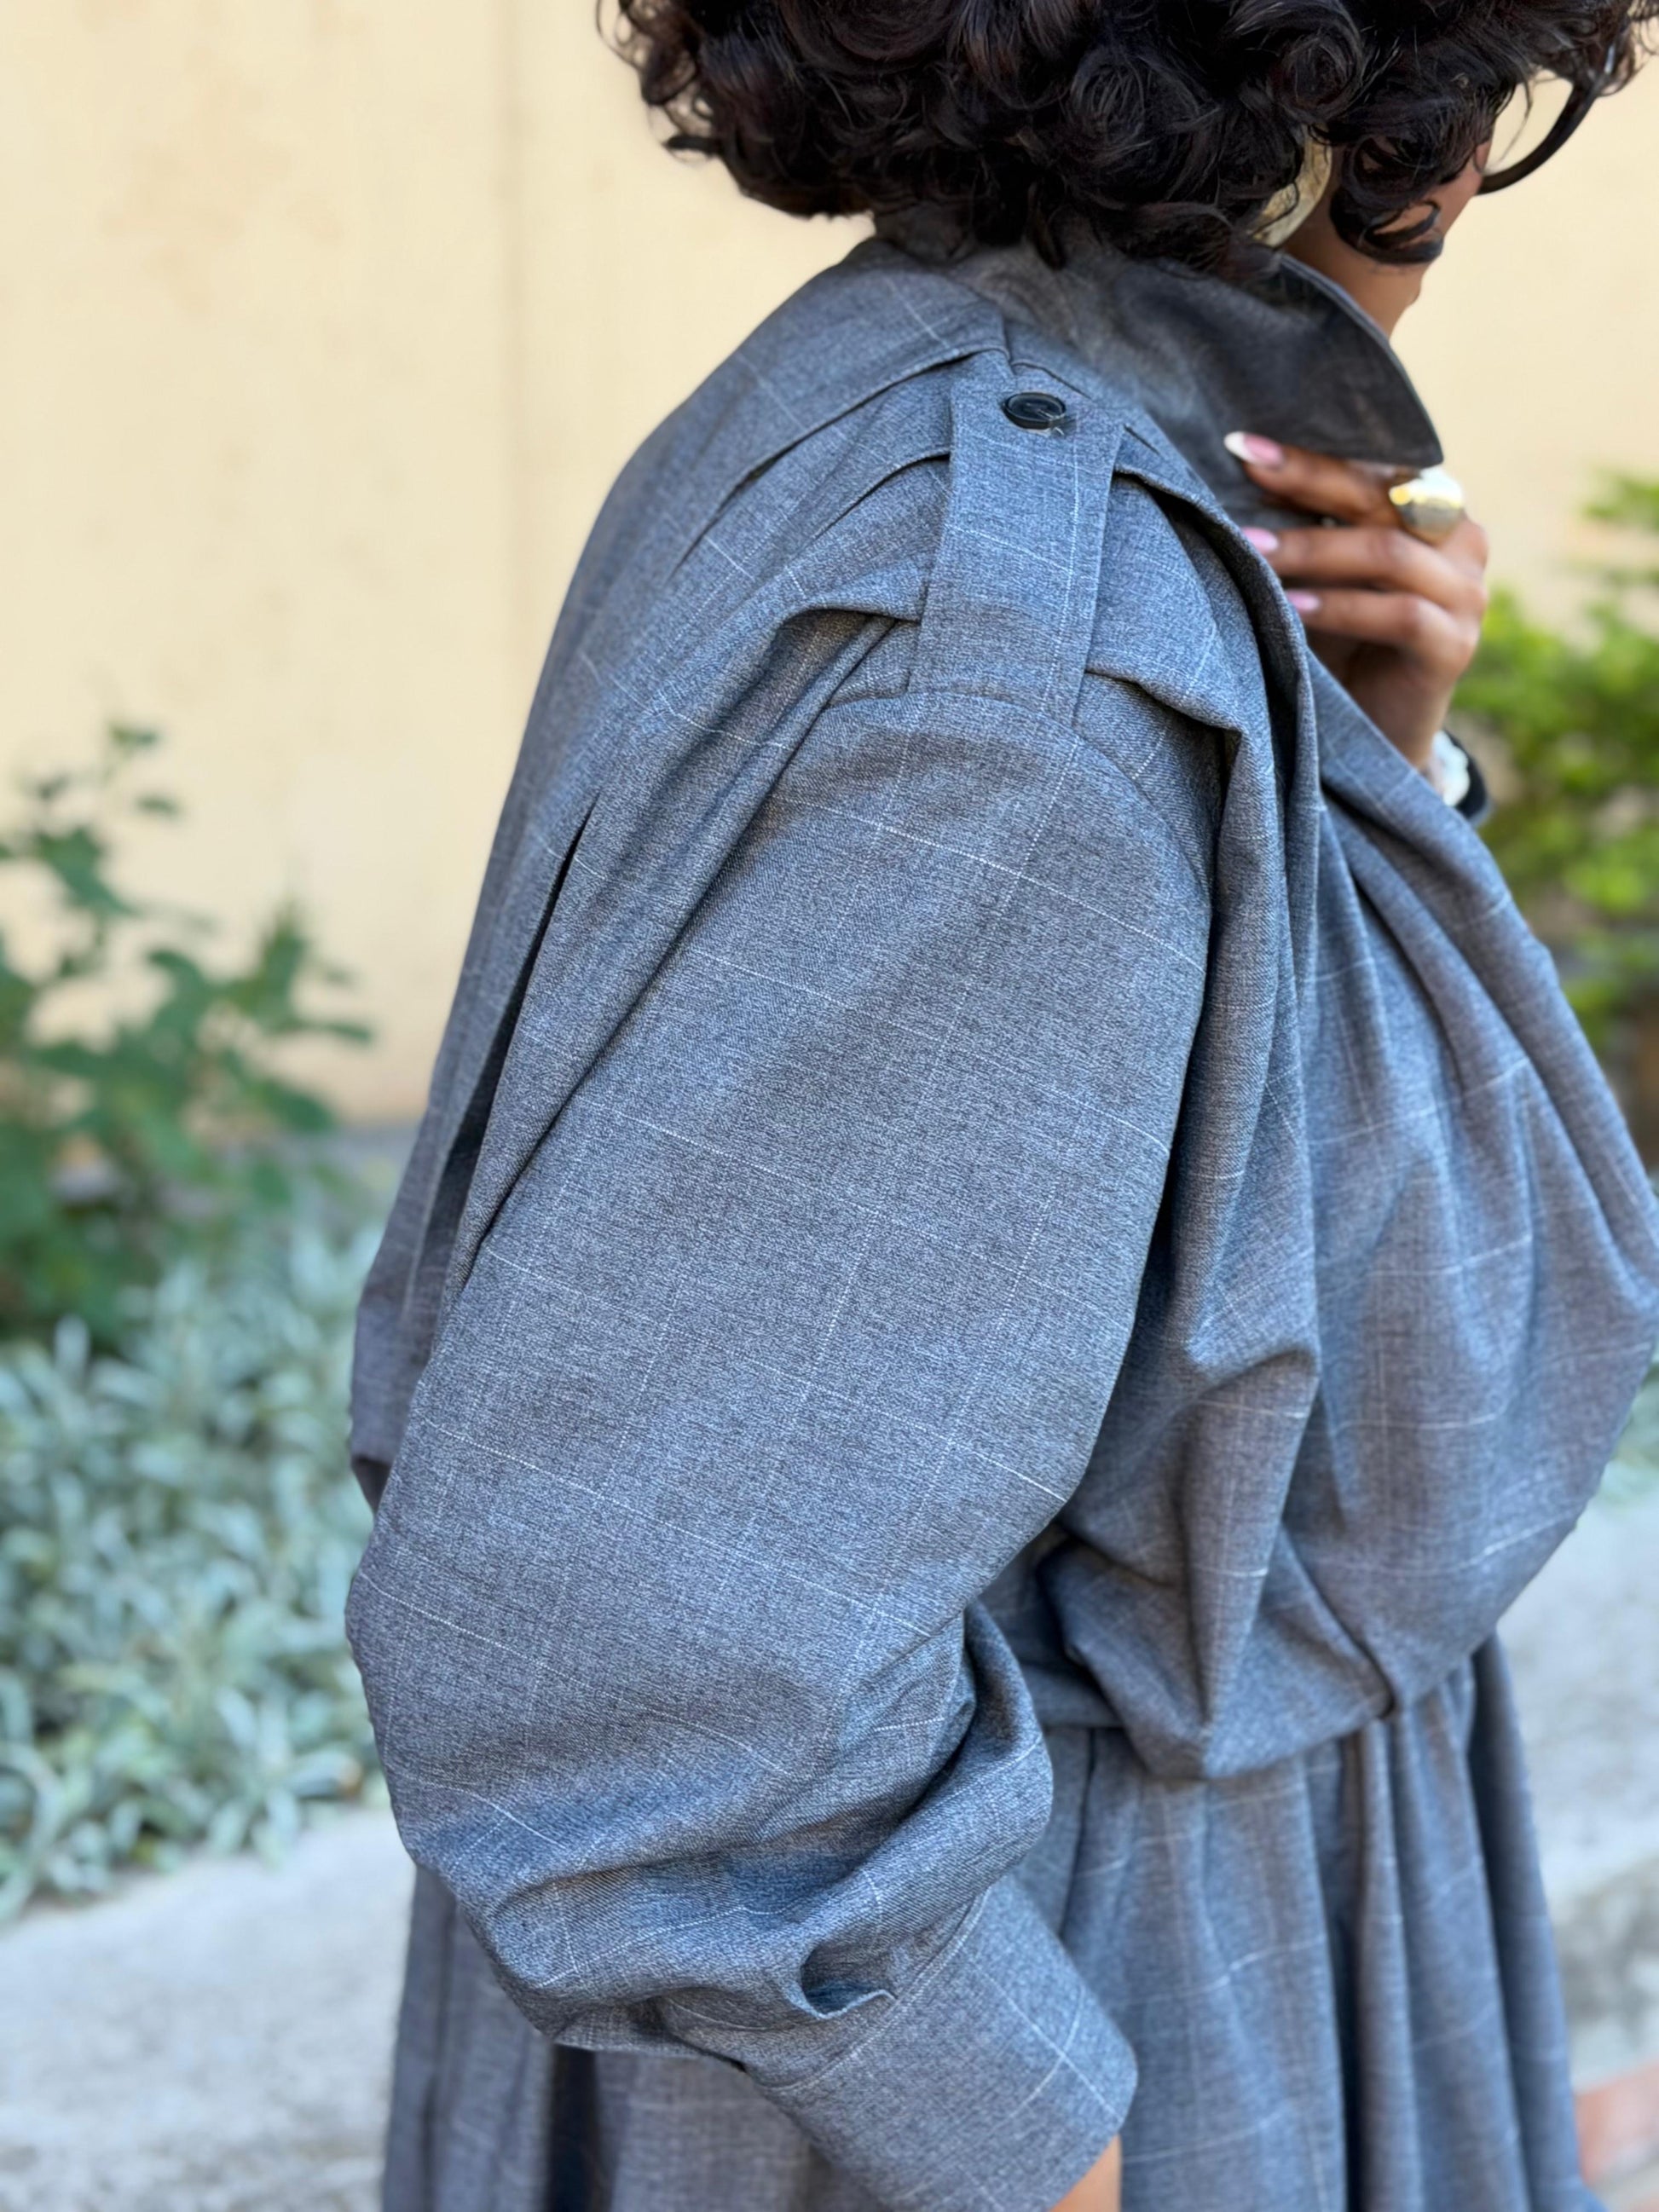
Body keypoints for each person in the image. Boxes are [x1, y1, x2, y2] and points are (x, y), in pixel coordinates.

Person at [344, 6, 1659, 2209]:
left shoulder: (893, 392)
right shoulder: (1018, 660)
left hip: (1089, 1919)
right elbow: (634, 1670)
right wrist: (1041, 2141)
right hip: (1080, 1985)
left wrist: (1354, 764)